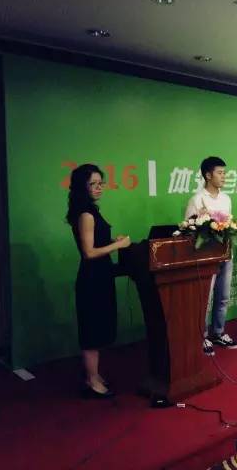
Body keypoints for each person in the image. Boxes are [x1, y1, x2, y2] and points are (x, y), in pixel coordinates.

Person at [66, 164, 131, 398]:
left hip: (101, 276)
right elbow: (89, 252)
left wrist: (112, 240)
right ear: (82, 187)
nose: (99, 187)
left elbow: (96, 242)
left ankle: (93, 375)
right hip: (92, 279)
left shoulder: (91, 210)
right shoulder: (85, 214)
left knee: (99, 328)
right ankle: (92, 381)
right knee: (92, 332)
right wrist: (118, 245)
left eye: (100, 183)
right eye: (93, 184)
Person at [185, 156, 237, 356]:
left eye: (225, 173)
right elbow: (189, 229)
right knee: (205, 299)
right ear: (208, 175)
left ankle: (218, 332)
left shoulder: (226, 199)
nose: (224, 176)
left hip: (225, 254)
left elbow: (228, 225)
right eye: (220, 173)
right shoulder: (197, 199)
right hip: (206, 257)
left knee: (223, 296)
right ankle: (202, 336)